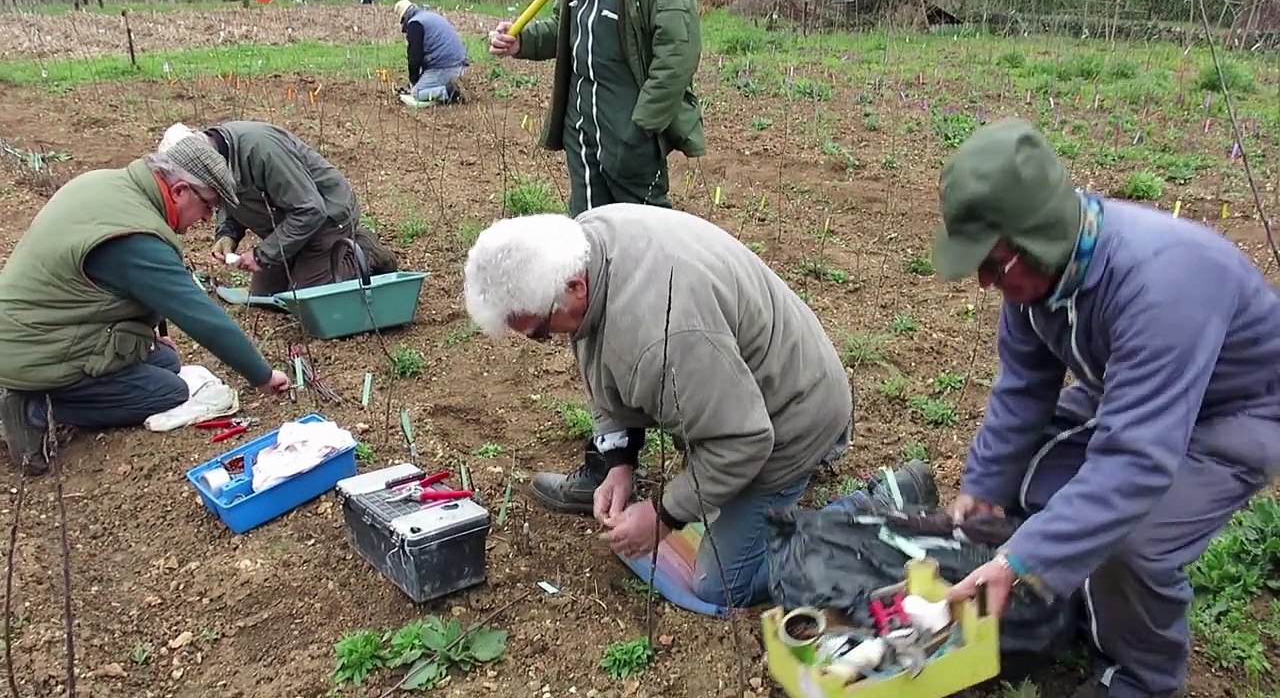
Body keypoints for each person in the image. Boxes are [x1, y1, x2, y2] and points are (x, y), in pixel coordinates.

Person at [932, 117, 1280, 698]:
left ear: (1038, 234)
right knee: (1029, 485)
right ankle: (1070, 595)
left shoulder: (1161, 286)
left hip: (1235, 415)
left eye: (993, 265)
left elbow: (1136, 462)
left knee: (1131, 542)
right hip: (1129, 389)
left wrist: (1023, 556)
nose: (985, 283)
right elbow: (1024, 383)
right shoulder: (1042, 275)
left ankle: (1143, 676)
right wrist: (985, 482)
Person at [462, 203, 854, 609]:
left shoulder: (664, 339)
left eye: (540, 332)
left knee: (721, 587)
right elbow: (600, 352)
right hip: (745, 385)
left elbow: (746, 440)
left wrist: (663, 516)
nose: (547, 341)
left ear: (576, 287)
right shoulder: (586, 243)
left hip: (794, 419)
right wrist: (619, 462)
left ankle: (857, 524)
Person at [0, 136, 293, 477]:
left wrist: (146, 332)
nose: (205, 219)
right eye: (208, 206)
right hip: (30, 349)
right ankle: (33, 407)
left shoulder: (106, 186)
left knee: (166, 360)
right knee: (167, 391)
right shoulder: (136, 237)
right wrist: (262, 374)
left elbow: (103, 285)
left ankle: (43, 390)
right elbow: (199, 315)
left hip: (38, 327)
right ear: (180, 190)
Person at [486, 0, 705, 218]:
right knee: (588, 224)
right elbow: (565, 27)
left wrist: (643, 126)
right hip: (580, 128)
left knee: (643, 229)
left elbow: (677, 54)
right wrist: (522, 41)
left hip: (630, 130)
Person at [157, 121, 399, 298]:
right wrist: (227, 233)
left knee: (307, 298)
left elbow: (310, 209)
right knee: (265, 296)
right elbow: (225, 192)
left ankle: (365, 250)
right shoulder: (216, 157)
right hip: (286, 223)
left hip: (326, 219)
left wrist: (264, 254)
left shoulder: (261, 150)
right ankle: (300, 260)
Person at [394, 0, 468, 106]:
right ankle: (454, 84)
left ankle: (451, 91)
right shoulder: (428, 16)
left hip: (445, 68)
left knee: (417, 93)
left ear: (404, 18)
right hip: (460, 66)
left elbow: (414, 58)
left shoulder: (415, 24)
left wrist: (413, 82)